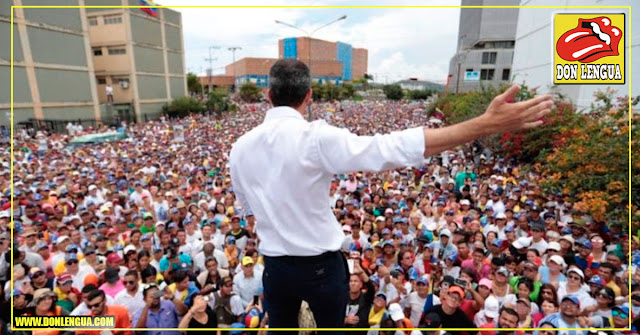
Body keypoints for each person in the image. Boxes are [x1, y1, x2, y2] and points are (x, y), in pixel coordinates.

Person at [229, 59, 552, 330]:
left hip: (275, 267)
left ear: (268, 94)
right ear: (309, 96)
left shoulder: (240, 149)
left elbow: (250, 212)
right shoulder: (315, 138)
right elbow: (388, 149)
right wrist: (483, 124)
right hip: (320, 269)